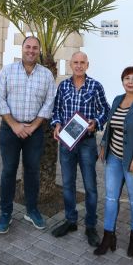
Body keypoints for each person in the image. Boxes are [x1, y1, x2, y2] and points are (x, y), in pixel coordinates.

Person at [0, 35, 56, 234]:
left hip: (35, 132)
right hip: (10, 130)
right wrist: (14, 125)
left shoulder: (46, 75)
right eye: (28, 47)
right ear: (22, 49)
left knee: (32, 171)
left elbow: (49, 103)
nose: (31, 50)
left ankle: (32, 210)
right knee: (9, 171)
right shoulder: (7, 71)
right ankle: (5, 213)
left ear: (39, 51)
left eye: (35, 48)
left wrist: (33, 125)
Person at [94, 66, 133, 258]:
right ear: (122, 81)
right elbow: (110, 126)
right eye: (127, 78)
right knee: (110, 197)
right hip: (114, 157)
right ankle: (108, 236)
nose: (130, 82)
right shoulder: (117, 99)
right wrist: (104, 143)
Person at [50, 51, 109, 247]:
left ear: (87, 65)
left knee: (90, 186)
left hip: (87, 142)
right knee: (68, 184)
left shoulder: (95, 86)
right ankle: (71, 221)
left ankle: (90, 225)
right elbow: (56, 110)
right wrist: (57, 124)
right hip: (67, 143)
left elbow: (105, 110)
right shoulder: (63, 86)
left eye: (82, 62)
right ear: (70, 64)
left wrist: (96, 123)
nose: (78, 65)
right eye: (75, 62)